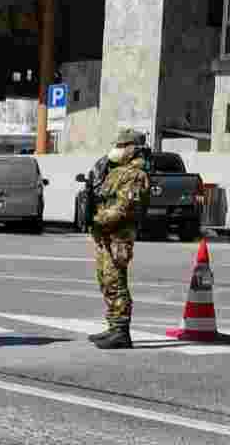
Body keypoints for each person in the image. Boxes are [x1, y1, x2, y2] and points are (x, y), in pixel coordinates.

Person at [88, 129, 150, 349]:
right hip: (107, 234)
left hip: (119, 236)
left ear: (132, 149)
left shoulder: (136, 174)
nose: (117, 150)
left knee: (116, 281)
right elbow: (104, 198)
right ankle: (114, 326)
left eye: (122, 146)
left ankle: (121, 332)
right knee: (105, 279)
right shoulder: (118, 171)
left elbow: (124, 208)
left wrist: (99, 219)